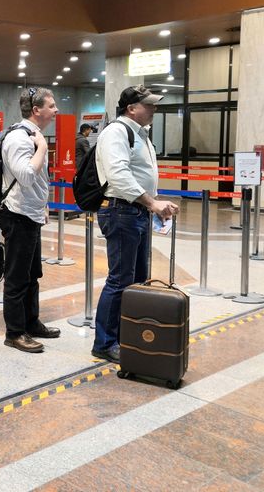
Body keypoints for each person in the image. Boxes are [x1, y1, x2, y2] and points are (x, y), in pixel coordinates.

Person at [92, 85, 179, 363]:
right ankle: (104, 342)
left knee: (138, 279)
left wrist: (154, 204)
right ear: (131, 108)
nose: (153, 109)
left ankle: (125, 333)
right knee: (120, 279)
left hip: (136, 211)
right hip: (121, 212)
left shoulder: (142, 135)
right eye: (149, 105)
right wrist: (151, 203)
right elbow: (118, 175)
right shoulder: (116, 132)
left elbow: (139, 176)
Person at [0, 88, 62, 353]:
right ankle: (14, 332)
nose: (56, 109)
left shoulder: (31, 137)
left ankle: (31, 322)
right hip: (17, 215)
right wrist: (44, 148)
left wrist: (43, 204)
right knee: (16, 277)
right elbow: (25, 176)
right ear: (36, 110)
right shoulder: (18, 138)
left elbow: (38, 181)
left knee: (32, 274)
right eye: (51, 105)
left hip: (31, 213)